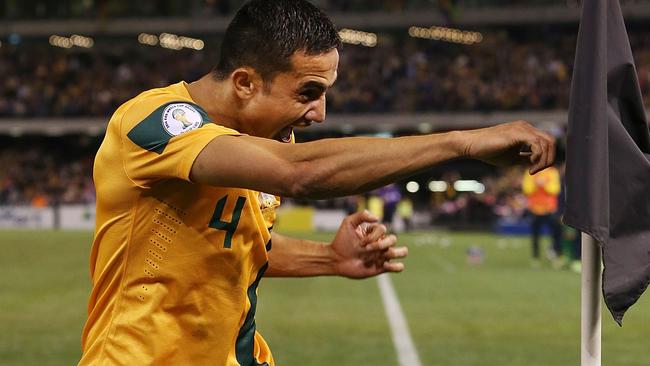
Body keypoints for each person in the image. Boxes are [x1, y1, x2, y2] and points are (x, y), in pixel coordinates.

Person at [78, 1, 556, 365]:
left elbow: (238, 242)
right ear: (244, 82)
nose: (319, 113)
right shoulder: (158, 120)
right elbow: (300, 172)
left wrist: (329, 257)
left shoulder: (262, 139)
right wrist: (461, 143)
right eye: (308, 92)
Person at [522, 165, 562, 267]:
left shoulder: (552, 172)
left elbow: (555, 189)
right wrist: (536, 184)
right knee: (535, 235)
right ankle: (536, 258)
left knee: (555, 235)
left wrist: (544, 184)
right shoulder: (530, 171)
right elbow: (526, 189)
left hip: (550, 209)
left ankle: (556, 256)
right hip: (534, 209)